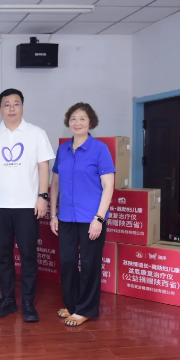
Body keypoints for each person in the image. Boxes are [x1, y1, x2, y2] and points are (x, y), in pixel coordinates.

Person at [0, 88, 55, 322]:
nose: (11, 108)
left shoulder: (36, 133)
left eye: (16, 104)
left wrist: (43, 196)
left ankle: (29, 303)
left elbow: (44, 167)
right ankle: (8, 300)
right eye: (6, 104)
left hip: (27, 205)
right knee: (3, 256)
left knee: (28, 255)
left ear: (22, 106)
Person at [50, 102, 115, 327]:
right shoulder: (63, 150)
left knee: (89, 264)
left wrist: (99, 218)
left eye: (82, 119)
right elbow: (55, 183)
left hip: (91, 218)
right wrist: (53, 214)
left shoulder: (100, 149)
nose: (77, 123)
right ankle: (72, 305)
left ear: (91, 122)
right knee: (67, 262)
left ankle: (85, 310)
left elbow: (108, 186)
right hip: (66, 217)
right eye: (73, 118)